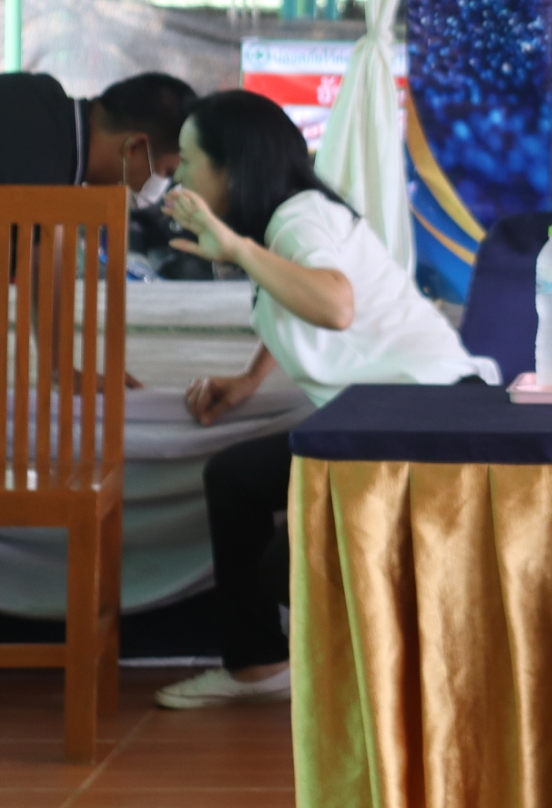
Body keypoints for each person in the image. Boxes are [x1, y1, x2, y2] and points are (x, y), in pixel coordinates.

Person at [148, 90, 497, 710]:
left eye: (191, 159)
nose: (180, 175)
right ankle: (257, 667)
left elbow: (334, 304)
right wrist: (250, 378)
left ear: (234, 168)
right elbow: (292, 300)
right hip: (380, 423)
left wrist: (236, 249)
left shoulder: (298, 219)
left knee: (285, 571)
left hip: (428, 420)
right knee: (234, 478)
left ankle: (419, 684)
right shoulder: (280, 224)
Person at [0, 69, 193, 199]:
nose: (164, 188)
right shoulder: (43, 188)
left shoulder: (37, 89)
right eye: (168, 172)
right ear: (134, 147)